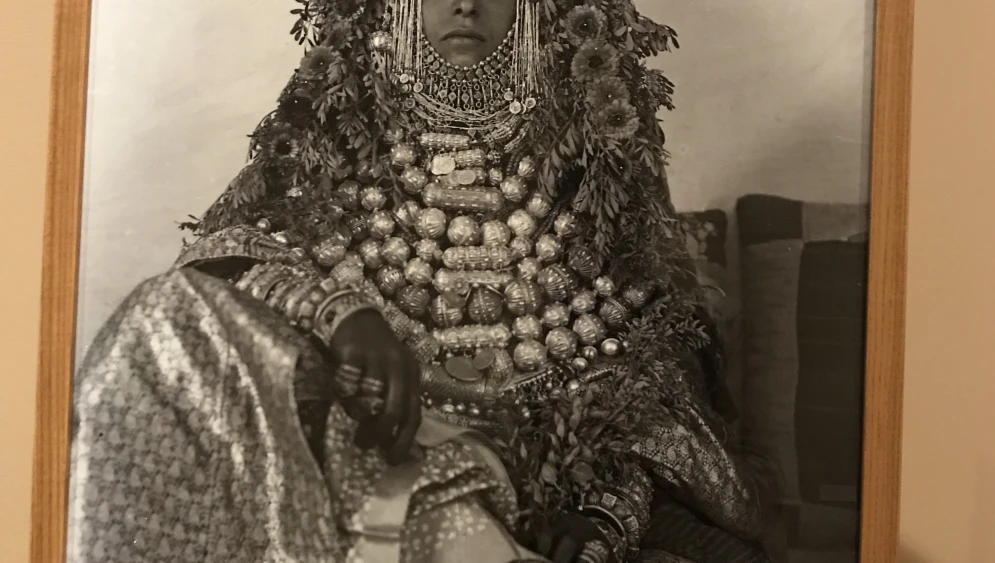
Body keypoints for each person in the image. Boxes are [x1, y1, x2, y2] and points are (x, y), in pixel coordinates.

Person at [66, 1, 780, 562]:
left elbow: (655, 384)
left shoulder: (592, 168)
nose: (464, 5)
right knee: (164, 317)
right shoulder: (337, 138)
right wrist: (340, 312)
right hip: (359, 448)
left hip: (514, 478)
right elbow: (221, 262)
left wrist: (604, 511)